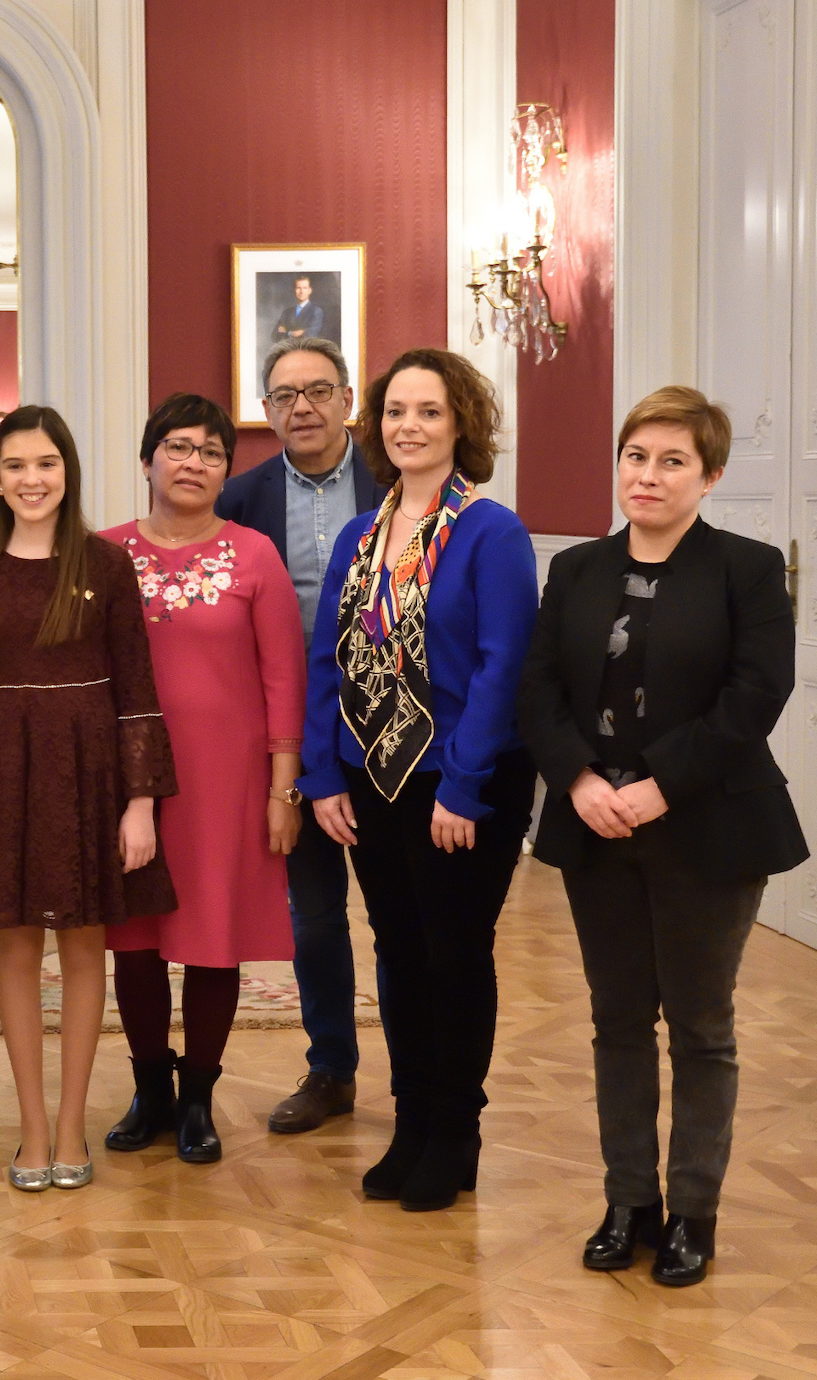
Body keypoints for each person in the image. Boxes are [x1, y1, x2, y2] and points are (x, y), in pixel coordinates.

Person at [519, 387, 805, 1287]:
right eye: (636, 456)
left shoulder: (749, 569)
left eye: (672, 461)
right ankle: (627, 1201)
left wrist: (656, 788)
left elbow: (755, 695)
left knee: (701, 1025)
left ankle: (693, 1213)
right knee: (615, 1020)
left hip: (710, 828)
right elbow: (537, 692)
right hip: (594, 822)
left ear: (710, 476)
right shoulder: (575, 571)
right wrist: (576, 777)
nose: (648, 475)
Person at [302, 348, 538, 1213]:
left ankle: (455, 1134)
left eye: (429, 412)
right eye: (395, 411)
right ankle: (409, 1123)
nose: (408, 426)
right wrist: (322, 773)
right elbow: (327, 659)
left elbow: (504, 663)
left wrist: (464, 787)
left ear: (460, 425)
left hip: (462, 780)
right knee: (397, 953)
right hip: (371, 779)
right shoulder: (362, 537)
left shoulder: (491, 531)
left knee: (453, 954)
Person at [0, 406, 176, 1191]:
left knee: (83, 946)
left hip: (88, 768)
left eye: (47, 464)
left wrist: (141, 803)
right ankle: (32, 1128)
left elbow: (136, 690)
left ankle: (72, 1125)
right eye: (17, 466)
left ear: (68, 471)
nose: (33, 480)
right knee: (16, 949)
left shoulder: (104, 567)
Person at [100, 393, 306, 1163]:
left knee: (216, 942)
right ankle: (150, 1087)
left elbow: (286, 680)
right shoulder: (104, 554)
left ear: (227, 468)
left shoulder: (254, 555)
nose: (194, 463)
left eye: (211, 452)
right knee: (136, 942)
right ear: (148, 458)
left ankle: (197, 1100)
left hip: (229, 785)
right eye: (179, 447)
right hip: (129, 788)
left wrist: (283, 792)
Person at [217, 336, 382, 1135]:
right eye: (284, 396)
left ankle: (425, 1071)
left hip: (397, 735)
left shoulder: (397, 485)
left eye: (318, 391)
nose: (303, 408)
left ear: (349, 399)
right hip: (295, 737)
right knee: (313, 917)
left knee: (401, 916)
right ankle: (331, 1069)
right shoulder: (241, 500)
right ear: (267, 410)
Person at [273, 276, 326, 341]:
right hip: (288, 350)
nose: (301, 291)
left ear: (310, 290)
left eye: (305, 288)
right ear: (294, 290)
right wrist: (293, 333)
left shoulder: (316, 311)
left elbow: (310, 336)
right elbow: (274, 336)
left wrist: (287, 331)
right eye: (298, 288)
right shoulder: (287, 312)